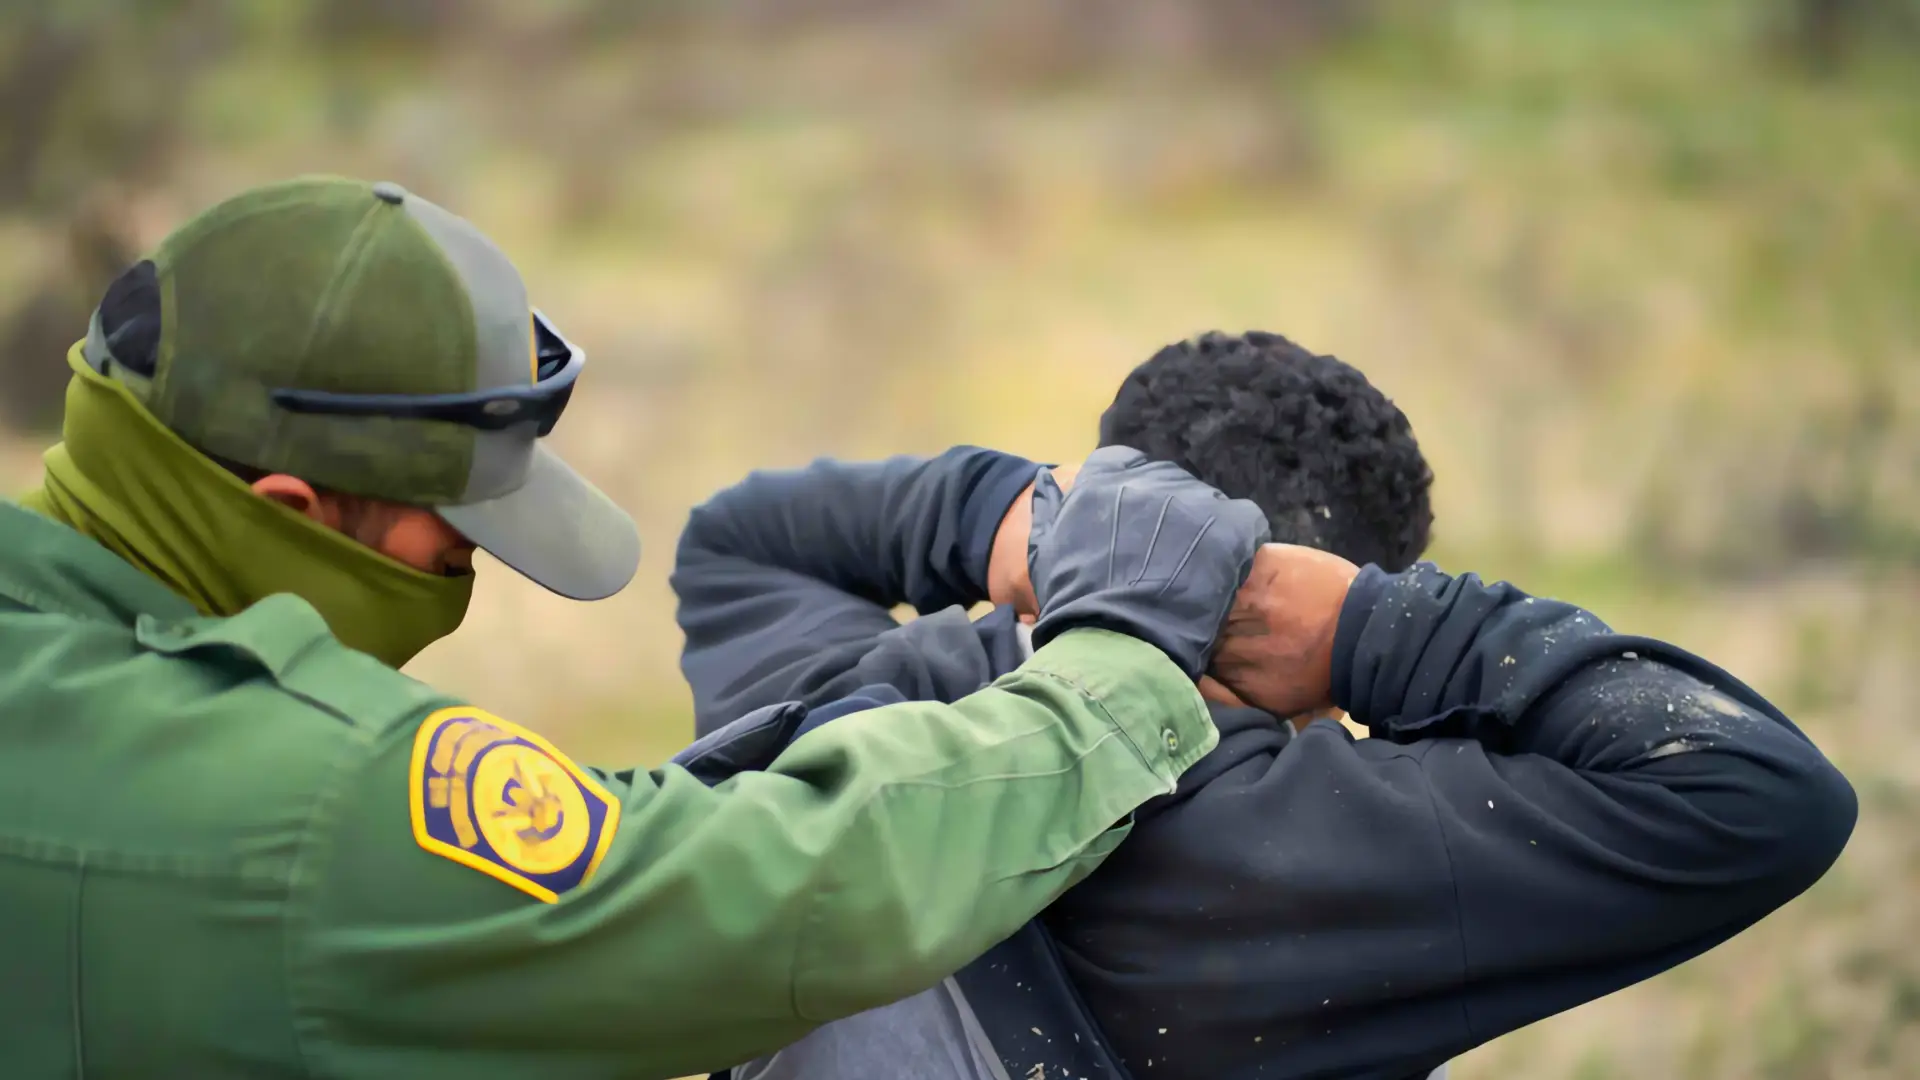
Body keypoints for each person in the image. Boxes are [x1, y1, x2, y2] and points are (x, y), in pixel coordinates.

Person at [0, 176, 1293, 1079]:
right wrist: (1116, 671)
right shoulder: (295, 803)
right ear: (292, 507)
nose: (468, 564)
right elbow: (749, 898)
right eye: (454, 528)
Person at [671, 333, 1860, 1080]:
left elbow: (744, 538)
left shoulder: (858, 706)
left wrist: (1015, 515)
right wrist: (1372, 633)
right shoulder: (1308, 848)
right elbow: (1760, 792)